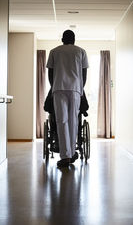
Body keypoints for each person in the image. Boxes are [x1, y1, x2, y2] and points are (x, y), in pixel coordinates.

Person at [46, 30, 89, 167]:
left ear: (62, 39)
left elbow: (50, 73)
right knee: (73, 121)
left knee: (61, 121)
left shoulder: (54, 51)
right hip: (75, 89)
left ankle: (66, 156)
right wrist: (80, 88)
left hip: (59, 88)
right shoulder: (81, 51)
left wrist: (53, 87)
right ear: (74, 39)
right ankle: (71, 154)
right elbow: (84, 73)